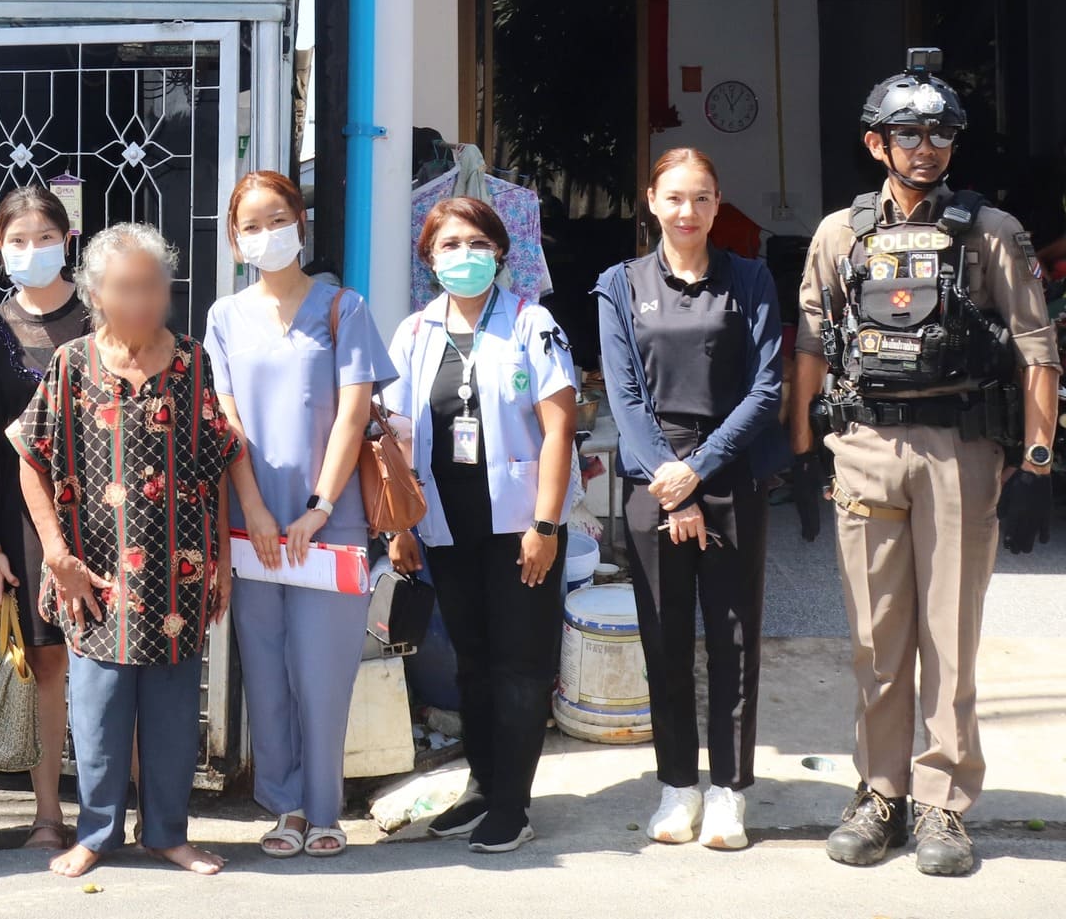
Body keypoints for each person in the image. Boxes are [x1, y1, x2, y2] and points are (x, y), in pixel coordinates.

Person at [791, 50, 1059, 877]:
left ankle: (943, 801)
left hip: (961, 450)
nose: (926, 147)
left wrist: (1038, 464)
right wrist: (801, 452)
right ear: (876, 142)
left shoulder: (992, 232)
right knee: (876, 638)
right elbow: (812, 343)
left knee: (950, 634)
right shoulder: (840, 233)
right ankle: (881, 792)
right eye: (908, 132)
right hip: (865, 449)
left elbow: (1037, 349)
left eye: (941, 132)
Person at [12, 222, 240, 880]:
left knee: (173, 714)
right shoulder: (72, 363)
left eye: (151, 286)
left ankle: (168, 834)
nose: (140, 300)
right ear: (96, 294)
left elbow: (216, 463)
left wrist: (222, 561)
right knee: (99, 712)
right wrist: (56, 553)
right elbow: (31, 459)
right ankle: (96, 833)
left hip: (179, 572)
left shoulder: (192, 361)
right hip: (94, 572)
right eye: (124, 288)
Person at [593, 148, 788, 851]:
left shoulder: (749, 278)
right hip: (654, 478)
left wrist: (699, 470)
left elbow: (766, 388)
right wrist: (674, 487)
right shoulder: (620, 284)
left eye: (701, 197)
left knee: (734, 638)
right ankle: (677, 785)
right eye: (674, 197)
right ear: (651, 201)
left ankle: (730, 791)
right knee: (665, 637)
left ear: (717, 202)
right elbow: (625, 395)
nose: (688, 211)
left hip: (729, 470)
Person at [204, 171, 394, 859]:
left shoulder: (344, 307)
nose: (266, 234)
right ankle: (283, 806)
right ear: (235, 240)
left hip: (329, 519)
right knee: (265, 667)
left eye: (277, 219)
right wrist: (253, 506)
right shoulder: (224, 317)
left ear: (301, 224)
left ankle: (324, 808)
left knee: (323, 668)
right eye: (251, 226)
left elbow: (353, 414)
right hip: (251, 520)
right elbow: (225, 420)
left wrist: (320, 505)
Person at [382, 196, 578, 855]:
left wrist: (546, 525)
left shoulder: (531, 323)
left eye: (476, 243)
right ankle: (482, 784)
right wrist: (399, 526)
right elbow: (395, 435)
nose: (463, 255)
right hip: (446, 524)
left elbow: (559, 429)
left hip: (521, 526)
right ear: (429, 258)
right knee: (472, 661)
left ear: (499, 252)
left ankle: (513, 804)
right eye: (449, 245)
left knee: (520, 664)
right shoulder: (415, 333)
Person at [0, 185, 87, 851]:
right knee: (46, 661)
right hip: (26, 522)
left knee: (120, 664)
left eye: (44, 237)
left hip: (110, 516)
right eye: (17, 240)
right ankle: (48, 814)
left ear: (68, 240)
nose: (31, 250)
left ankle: (129, 811)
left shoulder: (100, 313)